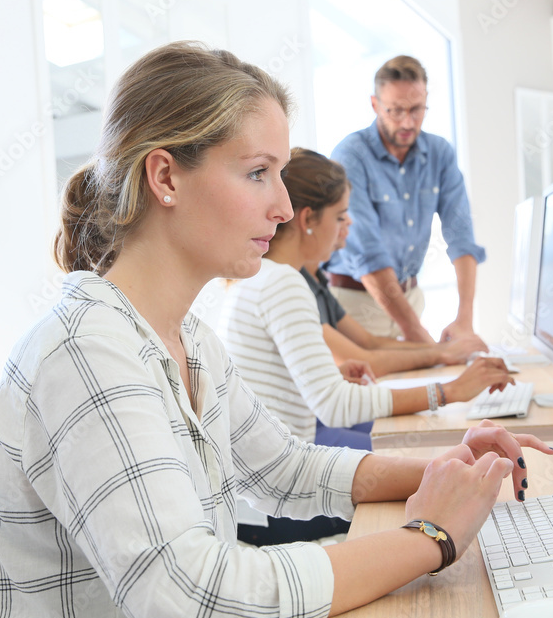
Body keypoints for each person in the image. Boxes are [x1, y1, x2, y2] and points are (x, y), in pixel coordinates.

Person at [0, 41, 553, 618]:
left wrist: (443, 469)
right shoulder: (86, 353)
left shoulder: (185, 339)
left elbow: (282, 469)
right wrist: (430, 536)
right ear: (165, 176)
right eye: (258, 173)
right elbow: (192, 600)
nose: (286, 208)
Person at [219, 146, 515, 451]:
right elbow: (335, 406)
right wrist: (449, 391)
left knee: (430, 445)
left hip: (291, 440)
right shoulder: (282, 283)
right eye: (339, 217)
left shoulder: (263, 277)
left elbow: (280, 385)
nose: (346, 228)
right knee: (432, 450)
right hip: (294, 453)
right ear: (308, 219)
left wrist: (331, 374)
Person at [325, 55, 488, 350]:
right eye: (396, 110)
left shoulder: (440, 153)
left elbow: (462, 237)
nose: (407, 122)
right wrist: (416, 333)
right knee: (370, 393)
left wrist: (465, 319)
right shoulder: (351, 155)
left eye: (416, 110)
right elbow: (367, 253)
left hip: (411, 297)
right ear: (375, 105)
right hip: (355, 303)